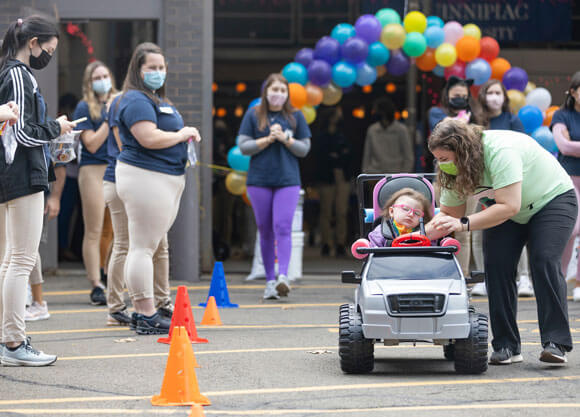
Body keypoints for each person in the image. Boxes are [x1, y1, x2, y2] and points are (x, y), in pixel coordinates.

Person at [429, 118, 576, 365]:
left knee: (543, 261)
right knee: (497, 266)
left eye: (445, 158)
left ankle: (556, 342)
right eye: (437, 159)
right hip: (506, 209)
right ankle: (506, 345)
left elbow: (509, 206)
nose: (441, 165)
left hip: (552, 200)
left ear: (462, 152)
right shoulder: (453, 170)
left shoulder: (500, 151)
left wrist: (465, 223)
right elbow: (450, 213)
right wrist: (427, 229)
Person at [0, 15, 76, 366]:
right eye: (49, 47)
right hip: (21, 173)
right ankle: (13, 342)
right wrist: (55, 126)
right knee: (20, 260)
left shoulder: (10, 71)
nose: (48, 54)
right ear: (33, 43)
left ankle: (9, 339)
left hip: (14, 173)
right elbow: (23, 132)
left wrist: (51, 128)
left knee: (10, 261)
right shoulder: (18, 73)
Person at [115, 42, 200, 334]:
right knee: (142, 248)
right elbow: (148, 137)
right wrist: (182, 133)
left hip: (160, 178)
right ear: (138, 70)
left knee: (145, 247)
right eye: (151, 67)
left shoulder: (154, 99)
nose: (158, 72)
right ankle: (146, 313)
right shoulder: (137, 100)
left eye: (161, 67)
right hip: (145, 177)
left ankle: (144, 311)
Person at [238, 73, 311, 300]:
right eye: (273, 90)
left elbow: (304, 148)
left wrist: (286, 139)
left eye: (281, 90)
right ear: (265, 92)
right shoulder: (254, 115)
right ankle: (270, 280)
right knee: (265, 229)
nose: (277, 94)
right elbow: (243, 146)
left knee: (282, 226)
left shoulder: (296, 116)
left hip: (288, 180)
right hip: (259, 180)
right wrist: (267, 139)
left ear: (287, 94)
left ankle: (283, 277)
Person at [104, 93, 174, 326]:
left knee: (159, 245)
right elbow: (127, 145)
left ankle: (163, 303)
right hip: (123, 180)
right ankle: (117, 307)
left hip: (144, 181)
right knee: (126, 244)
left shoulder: (142, 102)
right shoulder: (125, 103)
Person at [472, 79, 533, 297]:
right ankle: (482, 278)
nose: (494, 97)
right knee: (478, 231)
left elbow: (523, 148)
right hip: (482, 182)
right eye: (490, 93)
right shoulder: (475, 121)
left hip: (509, 181)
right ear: (483, 96)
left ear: (504, 97)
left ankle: (524, 278)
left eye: (498, 93)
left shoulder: (512, 120)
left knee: (517, 226)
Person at [72, 61, 117, 306]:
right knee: (94, 229)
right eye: (97, 77)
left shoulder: (119, 100)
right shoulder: (84, 107)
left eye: (105, 75)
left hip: (116, 169)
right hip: (93, 170)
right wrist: (109, 117)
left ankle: (110, 276)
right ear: (90, 83)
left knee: (115, 231)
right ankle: (95, 283)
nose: (102, 80)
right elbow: (91, 143)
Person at [428, 76, 480, 279]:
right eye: (456, 95)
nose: (460, 99)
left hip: (468, 178)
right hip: (443, 177)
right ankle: (437, 274)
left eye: (464, 96)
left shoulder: (475, 115)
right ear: (447, 95)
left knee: (463, 229)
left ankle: (462, 277)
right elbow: (440, 133)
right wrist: (459, 122)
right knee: (438, 224)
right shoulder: (436, 113)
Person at [552, 71, 580, 303]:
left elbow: (572, 145)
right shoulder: (562, 115)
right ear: (573, 92)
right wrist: (570, 144)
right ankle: (559, 278)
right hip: (569, 179)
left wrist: (574, 143)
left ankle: (579, 281)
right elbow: (564, 146)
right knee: (570, 229)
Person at [314, 106, 352, 257]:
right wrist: (335, 155)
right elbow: (320, 155)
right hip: (326, 176)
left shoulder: (344, 132)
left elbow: (349, 153)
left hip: (342, 175)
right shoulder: (321, 135)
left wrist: (336, 156)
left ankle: (341, 242)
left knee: (341, 211)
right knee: (326, 211)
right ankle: (326, 242)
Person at [362, 97, 413, 174]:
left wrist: (403, 176)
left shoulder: (401, 130)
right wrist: (366, 173)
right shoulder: (372, 130)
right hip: (375, 174)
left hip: (395, 175)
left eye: (376, 110)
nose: (374, 112)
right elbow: (367, 155)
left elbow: (408, 157)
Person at [367, 188, 433, 247]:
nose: (411, 214)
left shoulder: (425, 232)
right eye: (405, 209)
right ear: (392, 211)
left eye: (416, 213)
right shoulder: (380, 233)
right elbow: (373, 254)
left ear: (421, 218)